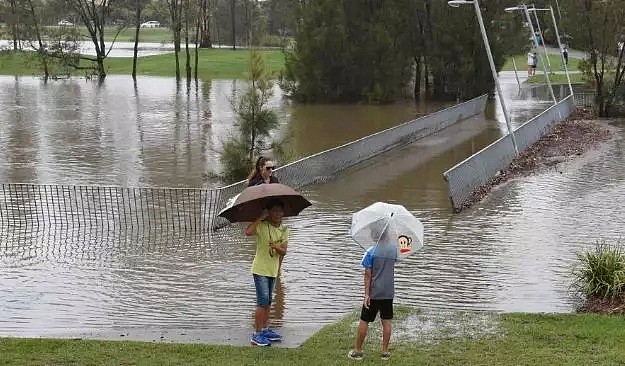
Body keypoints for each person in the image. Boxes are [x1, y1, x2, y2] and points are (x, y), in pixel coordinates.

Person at [244, 199, 289, 347]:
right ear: (268, 212)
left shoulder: (284, 229)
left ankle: (264, 329)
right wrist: (260, 218)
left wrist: (275, 246)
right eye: (274, 211)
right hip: (260, 269)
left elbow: (284, 250)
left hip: (272, 270)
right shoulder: (262, 226)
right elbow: (248, 232)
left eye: (280, 211)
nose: (277, 214)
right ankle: (256, 334)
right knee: (262, 301)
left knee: (269, 301)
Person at [348, 228, 397, 361]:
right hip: (388, 292)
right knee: (386, 321)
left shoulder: (370, 251)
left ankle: (357, 351)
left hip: (374, 293)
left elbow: (367, 275)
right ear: (387, 234)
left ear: (374, 236)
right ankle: (385, 352)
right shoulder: (394, 250)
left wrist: (366, 295)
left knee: (364, 320)